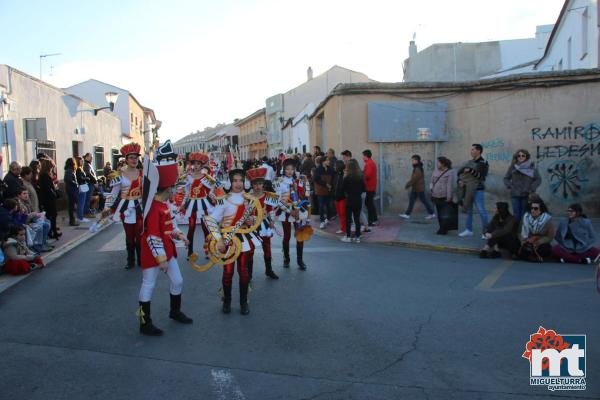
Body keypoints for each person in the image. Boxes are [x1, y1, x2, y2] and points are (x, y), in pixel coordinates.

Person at [138, 140, 193, 336]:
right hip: (154, 253)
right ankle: (145, 323)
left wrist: (179, 235)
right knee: (148, 284)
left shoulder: (164, 205)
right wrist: (160, 259)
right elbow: (153, 236)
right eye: (173, 188)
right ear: (166, 189)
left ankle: (175, 311)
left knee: (177, 281)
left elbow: (171, 225)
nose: (175, 191)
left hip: (167, 250)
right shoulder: (153, 208)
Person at [205, 168, 262, 314]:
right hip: (228, 240)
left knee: (243, 272)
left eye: (241, 180)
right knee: (228, 272)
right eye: (235, 180)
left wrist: (251, 220)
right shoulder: (224, 199)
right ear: (230, 182)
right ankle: (227, 301)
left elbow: (258, 219)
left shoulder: (250, 199)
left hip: (244, 239)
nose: (238, 183)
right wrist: (219, 240)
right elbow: (211, 220)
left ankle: (244, 302)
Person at [105, 143, 144, 270]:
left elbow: (147, 192)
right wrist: (107, 207)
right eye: (131, 157)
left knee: (139, 234)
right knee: (129, 235)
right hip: (126, 208)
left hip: (139, 207)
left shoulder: (142, 174)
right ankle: (130, 260)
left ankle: (141, 259)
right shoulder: (119, 175)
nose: (134, 160)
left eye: (136, 157)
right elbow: (113, 193)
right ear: (126, 159)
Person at [274, 158, 311, 270]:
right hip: (286, 211)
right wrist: (290, 211)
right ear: (283, 169)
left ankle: (300, 260)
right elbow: (278, 200)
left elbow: (304, 195)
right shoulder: (278, 181)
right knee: (287, 236)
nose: (290, 171)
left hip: (298, 212)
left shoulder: (298, 180)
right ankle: (286, 258)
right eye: (287, 169)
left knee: (300, 235)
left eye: (292, 169)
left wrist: (306, 183)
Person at [247, 167, 279, 280]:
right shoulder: (247, 197)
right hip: (252, 226)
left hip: (265, 225)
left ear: (263, 184)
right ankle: (249, 273)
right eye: (255, 184)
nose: (257, 186)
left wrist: (272, 221)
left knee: (267, 247)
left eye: (260, 183)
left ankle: (269, 270)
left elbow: (271, 211)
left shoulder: (268, 196)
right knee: (250, 249)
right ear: (252, 185)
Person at [181, 152, 215, 258]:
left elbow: (213, 188)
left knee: (205, 228)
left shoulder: (206, 177)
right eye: (194, 163)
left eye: (198, 164)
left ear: (202, 165)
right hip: (191, 204)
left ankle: (208, 251)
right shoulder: (188, 177)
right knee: (191, 228)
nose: (196, 166)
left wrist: (211, 194)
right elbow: (186, 193)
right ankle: (189, 252)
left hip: (203, 203)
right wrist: (182, 204)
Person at [458, 144, 489, 238]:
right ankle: (469, 230)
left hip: (478, 190)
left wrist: (471, 171)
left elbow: (482, 177)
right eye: (471, 149)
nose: (471, 151)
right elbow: (461, 173)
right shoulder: (470, 162)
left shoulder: (483, 163)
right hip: (468, 189)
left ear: (478, 151)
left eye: (473, 150)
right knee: (469, 210)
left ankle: (485, 232)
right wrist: (460, 181)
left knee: (481, 211)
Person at [503, 149, 541, 222]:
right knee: (516, 214)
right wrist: (510, 186)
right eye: (519, 156)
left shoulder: (531, 167)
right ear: (516, 157)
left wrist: (532, 188)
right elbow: (506, 178)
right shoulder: (513, 167)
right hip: (515, 194)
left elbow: (538, 179)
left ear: (526, 157)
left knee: (525, 214)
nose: (521, 157)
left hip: (526, 194)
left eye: (523, 155)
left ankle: (523, 232)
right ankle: (516, 231)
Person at [399, 155, 435, 220]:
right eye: (412, 160)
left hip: (419, 188)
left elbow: (414, 179)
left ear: (416, 161)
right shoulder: (417, 167)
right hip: (416, 188)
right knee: (412, 201)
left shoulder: (418, 168)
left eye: (413, 160)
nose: (412, 162)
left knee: (424, 201)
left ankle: (432, 213)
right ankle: (407, 214)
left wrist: (408, 184)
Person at [518, 198, 554, 262]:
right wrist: (525, 241)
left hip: (540, 242)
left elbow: (550, 237)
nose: (533, 210)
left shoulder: (547, 219)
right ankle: (532, 257)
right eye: (531, 208)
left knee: (545, 248)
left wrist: (538, 242)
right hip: (528, 241)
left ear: (541, 210)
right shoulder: (526, 217)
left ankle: (533, 257)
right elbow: (521, 233)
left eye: (536, 208)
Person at [430, 157, 457, 235]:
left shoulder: (449, 172)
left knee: (445, 214)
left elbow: (449, 185)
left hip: (444, 196)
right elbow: (431, 182)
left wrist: (449, 197)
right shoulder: (435, 172)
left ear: (443, 163)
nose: (437, 164)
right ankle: (442, 227)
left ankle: (443, 229)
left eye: (438, 162)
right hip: (436, 195)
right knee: (439, 213)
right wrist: (431, 190)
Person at [341, 159, 365, 243]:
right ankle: (357, 237)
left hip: (350, 199)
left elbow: (343, 188)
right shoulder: (360, 177)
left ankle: (348, 236)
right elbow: (364, 189)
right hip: (358, 199)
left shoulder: (347, 177)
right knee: (357, 218)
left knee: (348, 218)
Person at [38, 159, 61, 239]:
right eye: (52, 166)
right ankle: (52, 232)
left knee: (52, 216)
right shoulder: (44, 175)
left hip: (48, 198)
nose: (52, 168)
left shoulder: (44, 174)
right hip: (48, 199)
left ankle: (52, 231)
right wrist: (54, 193)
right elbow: (48, 188)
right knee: (51, 215)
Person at [313, 156, 333, 229]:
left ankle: (327, 218)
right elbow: (316, 179)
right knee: (321, 205)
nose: (329, 161)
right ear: (323, 161)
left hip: (328, 190)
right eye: (327, 160)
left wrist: (331, 186)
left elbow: (332, 179)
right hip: (321, 190)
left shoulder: (330, 169)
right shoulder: (318, 169)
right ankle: (322, 221)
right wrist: (326, 184)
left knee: (329, 206)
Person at [362, 149, 378, 227]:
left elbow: (367, 176)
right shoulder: (371, 163)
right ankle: (374, 219)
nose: (362, 157)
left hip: (369, 187)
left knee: (369, 204)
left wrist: (361, 177)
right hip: (371, 187)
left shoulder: (369, 164)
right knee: (369, 203)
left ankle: (372, 220)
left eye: (363, 156)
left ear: (366, 156)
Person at [332, 160, 347, 235]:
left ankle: (344, 228)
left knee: (343, 213)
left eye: (335, 166)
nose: (334, 167)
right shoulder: (336, 175)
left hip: (342, 198)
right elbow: (334, 186)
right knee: (340, 214)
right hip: (336, 197)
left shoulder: (343, 175)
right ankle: (343, 227)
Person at [64, 158, 80, 227]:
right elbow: (69, 180)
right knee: (71, 206)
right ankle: (72, 221)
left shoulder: (69, 170)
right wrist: (76, 184)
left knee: (72, 206)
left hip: (71, 190)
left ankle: (72, 220)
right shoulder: (69, 170)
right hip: (71, 191)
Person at [75, 156, 90, 223]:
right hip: (82, 186)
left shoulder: (80, 168)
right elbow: (79, 178)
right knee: (81, 202)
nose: (83, 162)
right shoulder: (78, 169)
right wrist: (86, 178)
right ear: (78, 161)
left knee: (82, 202)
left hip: (83, 185)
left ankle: (80, 217)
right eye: (81, 161)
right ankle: (80, 217)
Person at [83, 153, 97, 218]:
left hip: (90, 184)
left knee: (88, 199)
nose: (92, 158)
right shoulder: (86, 164)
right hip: (89, 184)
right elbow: (88, 174)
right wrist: (95, 180)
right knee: (87, 199)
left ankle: (87, 212)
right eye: (90, 157)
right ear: (86, 157)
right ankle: (86, 213)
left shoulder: (88, 164)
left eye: (92, 157)